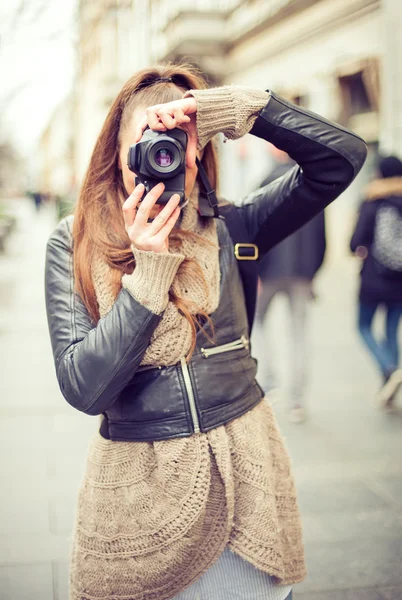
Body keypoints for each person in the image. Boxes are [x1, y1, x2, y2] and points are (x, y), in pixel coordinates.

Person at [45, 64, 367, 600]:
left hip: (248, 481)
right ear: (118, 154)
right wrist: (147, 272)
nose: (164, 159)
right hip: (138, 495)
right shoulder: (75, 243)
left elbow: (340, 161)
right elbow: (84, 387)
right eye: (149, 145)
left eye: (178, 144)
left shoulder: (233, 225)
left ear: (199, 151)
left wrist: (244, 109)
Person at [253, 147, 326, 423]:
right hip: (302, 273)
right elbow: (321, 236)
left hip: (270, 270)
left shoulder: (267, 180)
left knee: (256, 321)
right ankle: (297, 400)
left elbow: (256, 229)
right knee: (299, 333)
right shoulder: (312, 186)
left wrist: (255, 270)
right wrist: (312, 272)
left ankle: (270, 381)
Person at [350, 155, 402, 409]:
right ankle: (390, 384)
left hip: (373, 279)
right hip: (400, 281)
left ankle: (389, 369)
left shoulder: (372, 200)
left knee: (364, 326)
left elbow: (354, 243)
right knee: (392, 330)